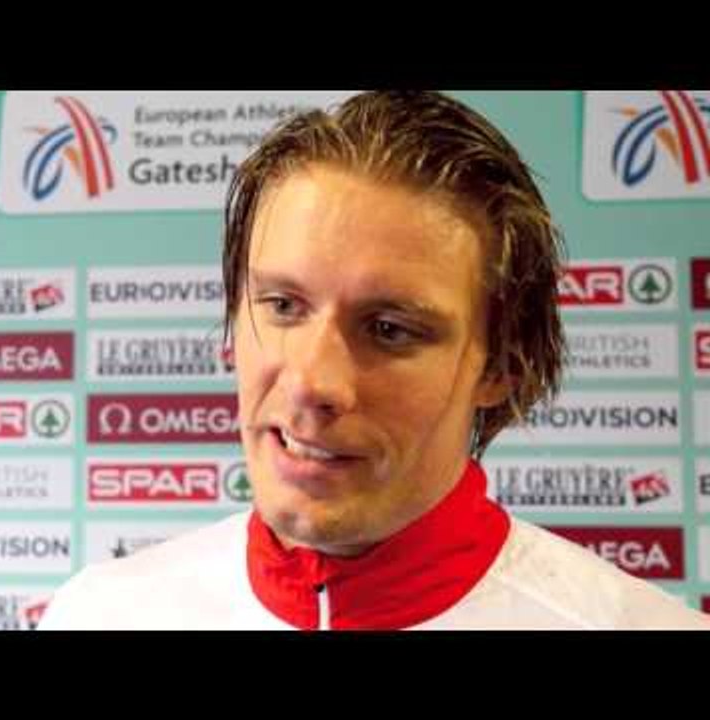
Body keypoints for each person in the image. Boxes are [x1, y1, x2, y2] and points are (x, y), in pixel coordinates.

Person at [40, 91, 710, 630]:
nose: (311, 381)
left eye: (389, 330)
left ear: (500, 367)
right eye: (283, 305)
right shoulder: (99, 613)